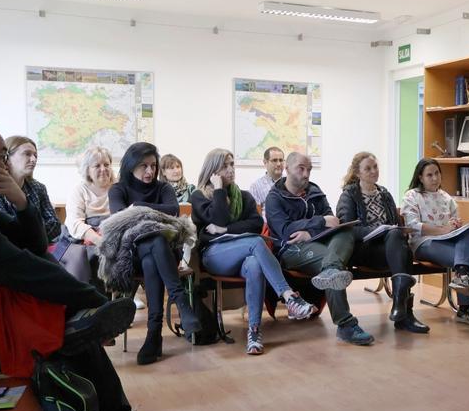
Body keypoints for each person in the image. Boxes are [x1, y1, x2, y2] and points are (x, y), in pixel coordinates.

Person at [0, 120, 168, 411]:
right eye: (0, 155)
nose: (5, 163)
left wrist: (22, 203)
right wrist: (91, 299)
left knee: (71, 328)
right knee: (66, 332)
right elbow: (24, 267)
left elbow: (34, 247)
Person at [190, 148, 317, 355]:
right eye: (225, 166)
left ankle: (254, 332)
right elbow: (219, 217)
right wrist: (219, 189)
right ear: (213, 170)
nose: (231, 169)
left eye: (232, 164)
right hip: (214, 255)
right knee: (256, 242)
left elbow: (256, 224)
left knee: (255, 264)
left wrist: (225, 230)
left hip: (243, 256)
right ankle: (289, 296)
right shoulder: (199, 196)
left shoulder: (244, 197)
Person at [265, 152, 372, 345]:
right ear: (287, 169)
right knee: (332, 263)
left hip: (318, 242)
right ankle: (345, 324)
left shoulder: (315, 191)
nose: (306, 174)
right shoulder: (274, 197)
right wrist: (318, 222)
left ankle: (331, 270)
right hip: (290, 250)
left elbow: (333, 221)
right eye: (301, 168)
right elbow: (285, 231)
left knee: (346, 232)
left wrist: (309, 232)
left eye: (309, 169)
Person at [109, 142, 201, 365]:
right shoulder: (118, 189)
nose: (150, 171)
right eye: (143, 166)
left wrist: (136, 208)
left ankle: (153, 336)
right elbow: (120, 218)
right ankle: (179, 303)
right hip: (131, 256)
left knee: (155, 249)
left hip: (166, 255)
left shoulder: (163, 188)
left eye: (153, 165)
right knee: (154, 243)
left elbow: (173, 211)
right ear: (131, 166)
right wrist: (148, 214)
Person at [336, 152, 429, 334]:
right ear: (358, 173)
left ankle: (401, 310)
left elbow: (396, 223)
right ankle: (404, 313)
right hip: (364, 251)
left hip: (389, 250)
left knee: (397, 238)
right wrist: (378, 231)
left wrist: (396, 231)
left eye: (375, 167)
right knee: (396, 240)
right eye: (368, 169)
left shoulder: (384, 193)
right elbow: (347, 229)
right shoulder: (349, 195)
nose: (373, 171)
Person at [402, 158, 469, 326]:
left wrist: (455, 225)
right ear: (420, 177)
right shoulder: (412, 196)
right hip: (423, 243)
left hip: (447, 240)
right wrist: (442, 230)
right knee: (468, 261)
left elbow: (453, 222)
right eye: (429, 175)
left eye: (437, 173)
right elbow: (412, 226)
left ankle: (460, 276)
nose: (435, 178)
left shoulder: (446, 197)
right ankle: (465, 308)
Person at [0, 136, 61, 242]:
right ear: (7, 158)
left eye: (35, 155)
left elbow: (55, 225)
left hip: (38, 248)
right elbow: (6, 230)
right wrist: (36, 233)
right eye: (27, 154)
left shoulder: (38, 188)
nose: (33, 159)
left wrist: (31, 236)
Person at [58, 146, 115, 290]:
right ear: (87, 170)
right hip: (85, 237)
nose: (103, 169)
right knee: (93, 257)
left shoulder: (118, 187)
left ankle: (121, 293)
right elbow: (75, 222)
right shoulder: (79, 190)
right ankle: (94, 301)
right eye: (97, 165)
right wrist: (99, 241)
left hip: (112, 233)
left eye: (106, 164)